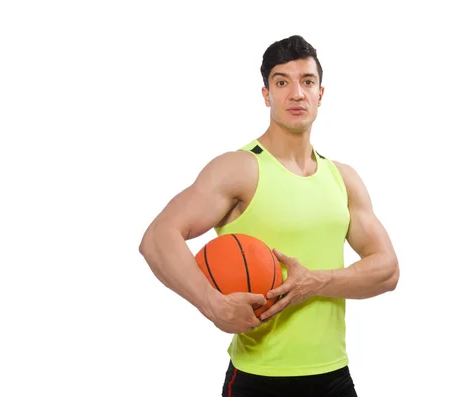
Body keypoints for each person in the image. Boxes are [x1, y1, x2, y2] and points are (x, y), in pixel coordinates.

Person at [138, 35, 399, 397]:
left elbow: (387, 269)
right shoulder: (239, 168)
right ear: (266, 95)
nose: (296, 93)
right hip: (258, 379)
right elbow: (157, 237)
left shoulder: (343, 178)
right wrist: (211, 304)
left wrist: (316, 282)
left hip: (334, 376)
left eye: (307, 81)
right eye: (282, 82)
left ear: (320, 94)